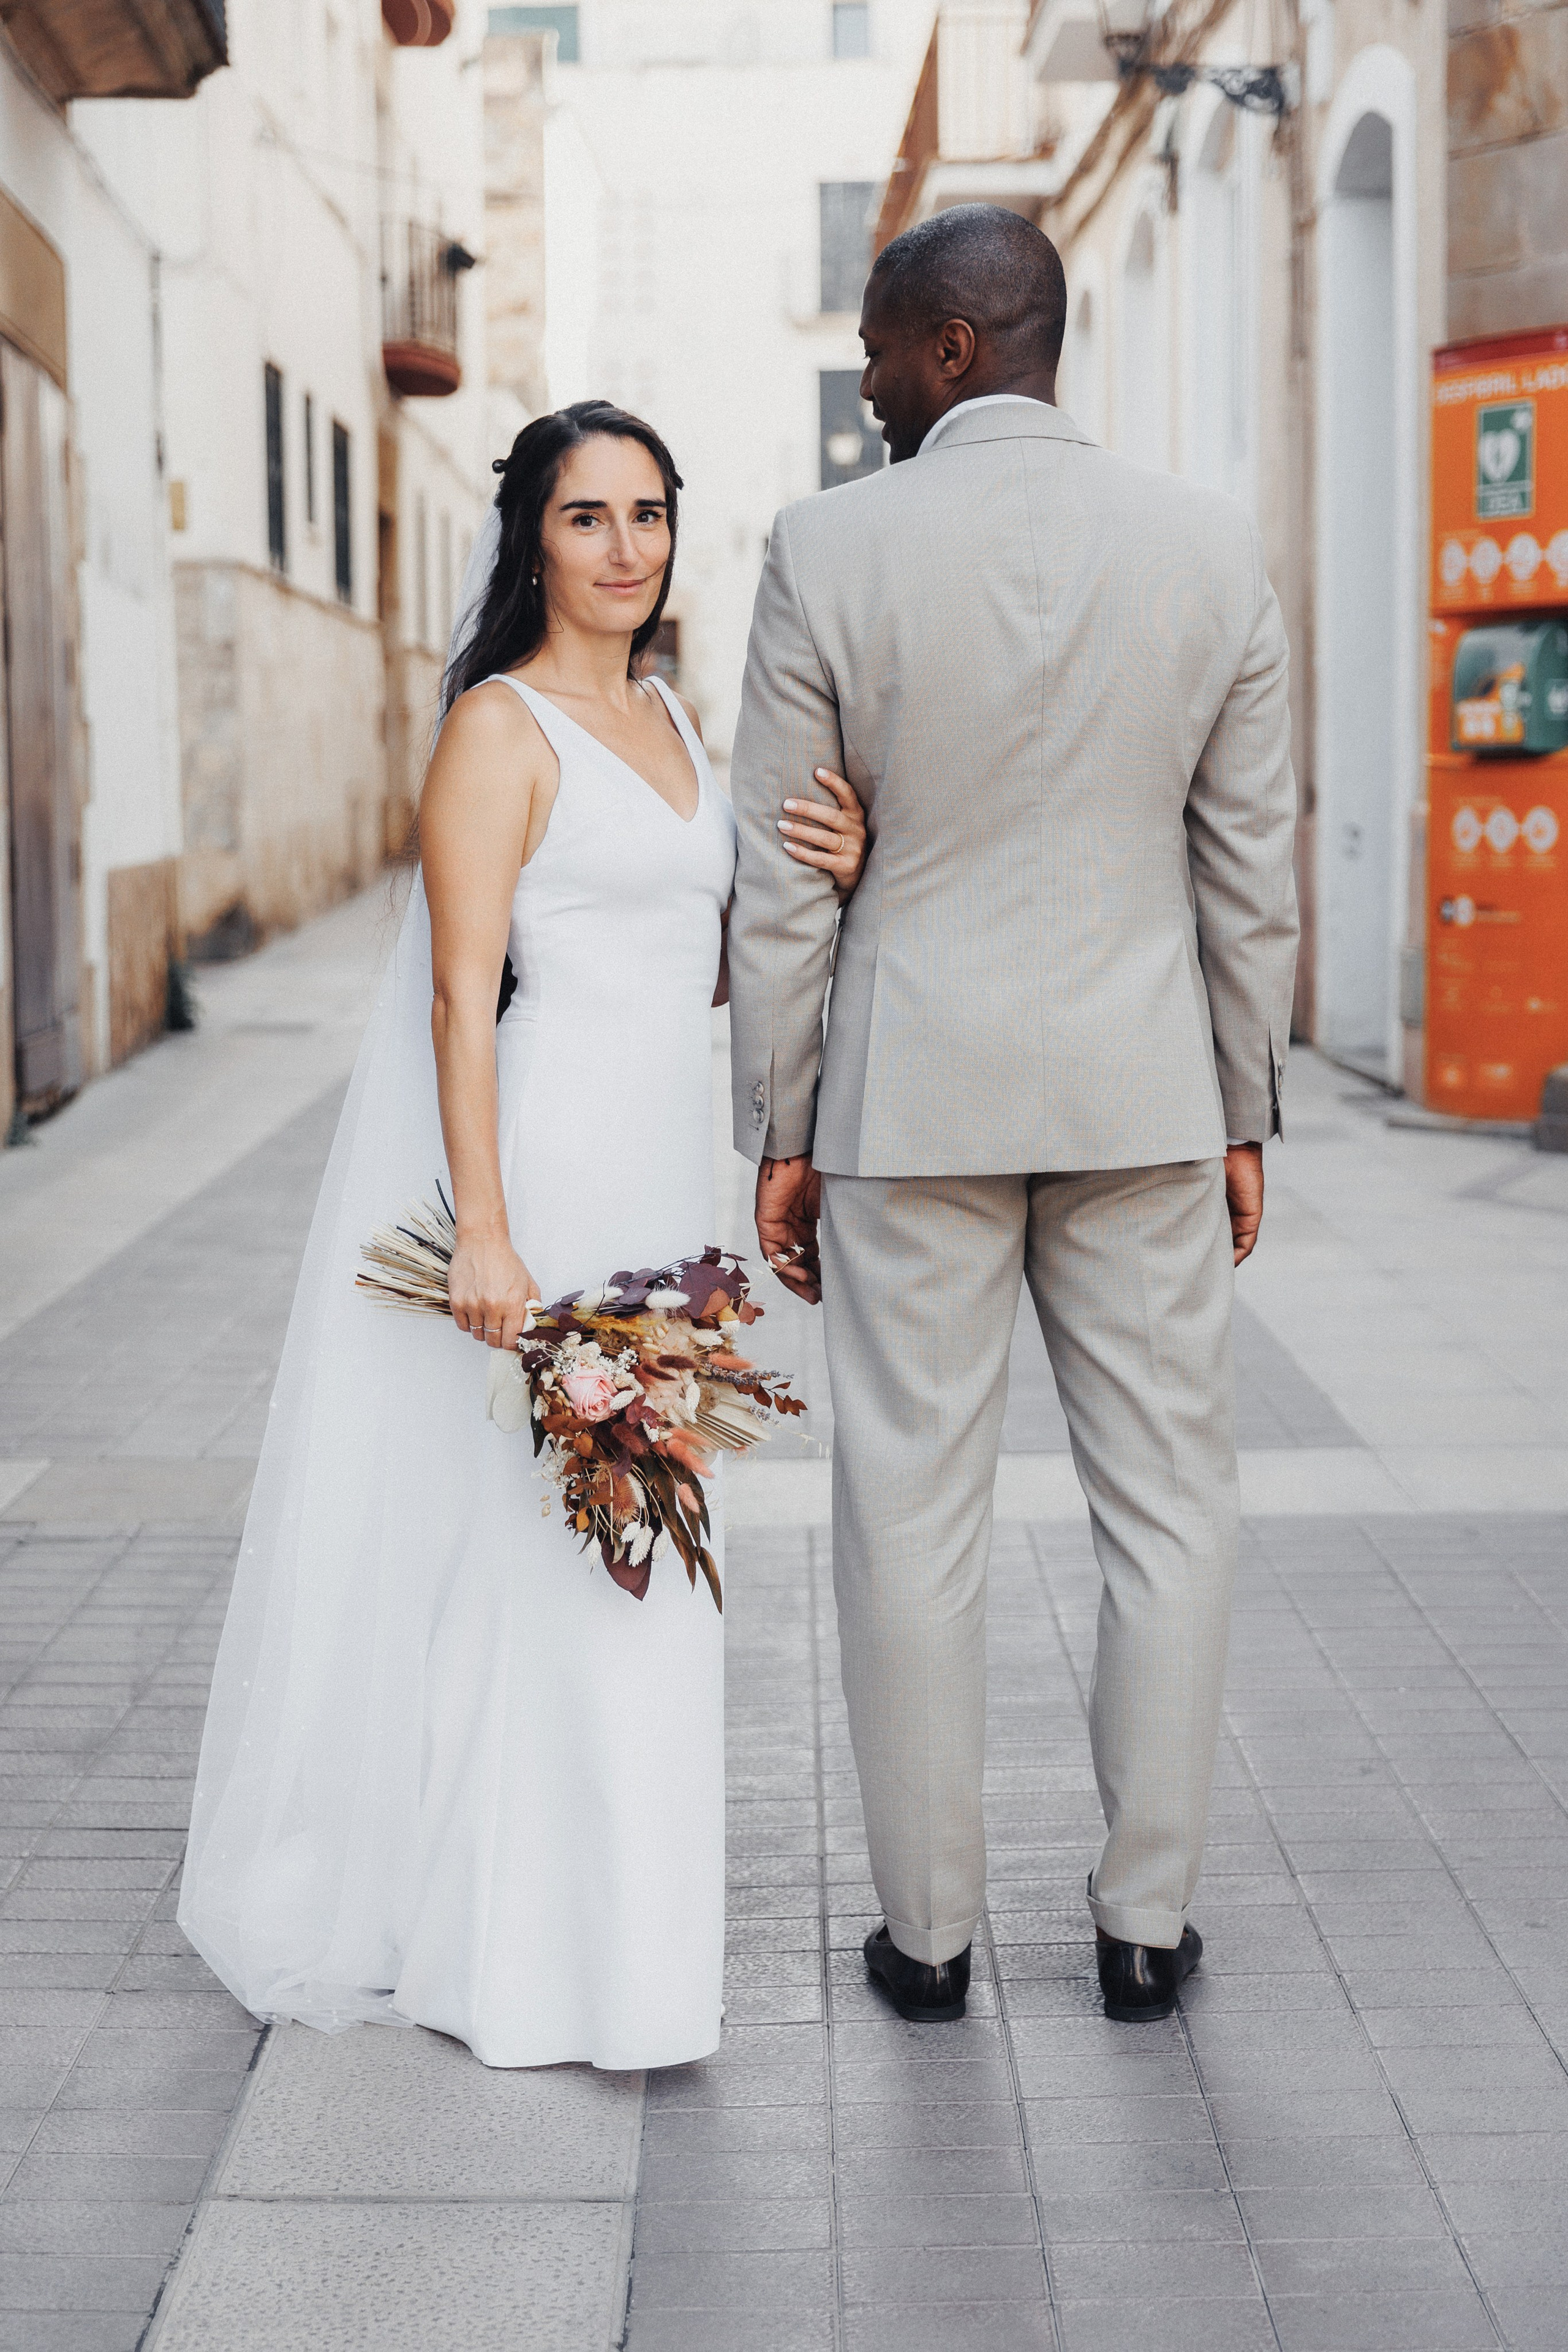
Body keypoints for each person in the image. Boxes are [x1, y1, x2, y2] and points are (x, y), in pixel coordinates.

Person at [178, 402, 865, 2070]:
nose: (627, 547)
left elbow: (689, 967)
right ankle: (520, 1953)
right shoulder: (498, 729)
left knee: (638, 1552)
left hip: (661, 1181)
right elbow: (458, 991)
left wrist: (833, 876)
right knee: (541, 1547)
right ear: (532, 539)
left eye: (650, 514)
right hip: (547, 1175)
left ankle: (624, 1951)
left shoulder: (673, 721)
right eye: (588, 518)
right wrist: (485, 1229)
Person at [728, 208, 1298, 2028]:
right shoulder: (1214, 551)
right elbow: (1248, 867)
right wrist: (1246, 1108)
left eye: (885, 352)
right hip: (1145, 1089)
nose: (872, 382)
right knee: (1173, 1509)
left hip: (915, 1099)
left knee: (908, 1513)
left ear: (955, 349)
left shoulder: (826, 547)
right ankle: (1145, 1929)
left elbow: (786, 873)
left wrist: (785, 1117)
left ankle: (930, 1940)